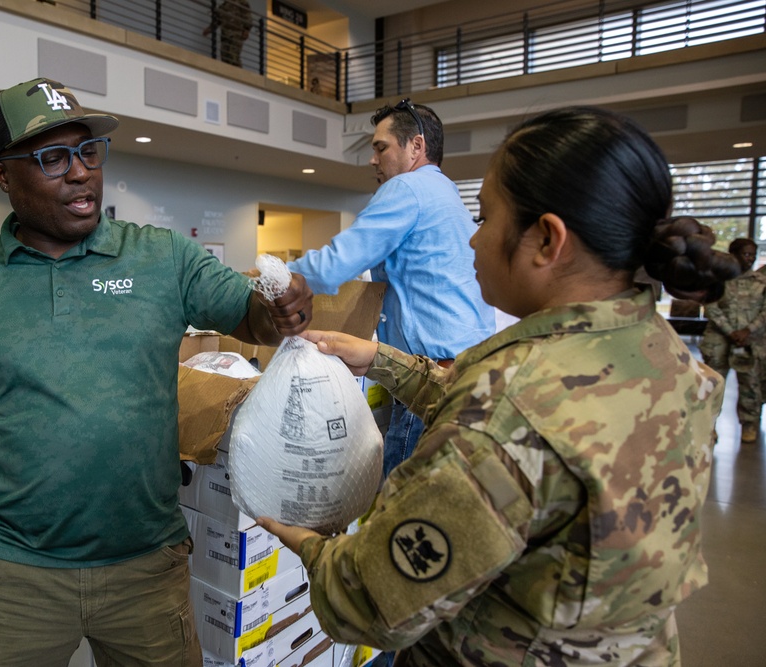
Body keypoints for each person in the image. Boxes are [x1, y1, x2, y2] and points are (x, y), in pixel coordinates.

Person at [259, 106, 741, 665]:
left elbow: (369, 601)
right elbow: (543, 439)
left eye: (484, 220)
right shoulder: (662, 352)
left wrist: (305, 541)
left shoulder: (508, 403)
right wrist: (382, 360)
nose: (471, 243)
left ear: (546, 240)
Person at [0, 78, 312, 665]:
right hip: (14, 575)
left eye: (88, 151)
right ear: (3, 175)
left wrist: (280, 305)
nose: (81, 171)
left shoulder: (160, 257)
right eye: (53, 158)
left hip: (147, 568)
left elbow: (251, 316)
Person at [288, 99, 495, 479]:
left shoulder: (408, 188)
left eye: (381, 147)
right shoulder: (445, 191)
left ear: (416, 146)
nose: (372, 159)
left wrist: (270, 279)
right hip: (463, 374)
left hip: (427, 379)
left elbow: (335, 265)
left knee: (399, 503)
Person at [700, 237, 766, 443]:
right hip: (719, 340)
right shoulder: (717, 279)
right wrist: (730, 331)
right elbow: (710, 306)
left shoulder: (761, 282)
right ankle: (708, 427)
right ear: (733, 255)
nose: (749, 259)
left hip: (750, 342)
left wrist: (748, 330)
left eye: (752, 256)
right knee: (713, 385)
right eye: (746, 254)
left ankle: (749, 424)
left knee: (751, 386)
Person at [203, 0, 253, 67]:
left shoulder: (241, 2)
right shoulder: (223, 6)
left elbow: (247, 16)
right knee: (225, 56)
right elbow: (217, 20)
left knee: (233, 56)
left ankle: (237, 74)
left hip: (236, 34)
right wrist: (209, 29)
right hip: (225, 36)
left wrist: (246, 29)